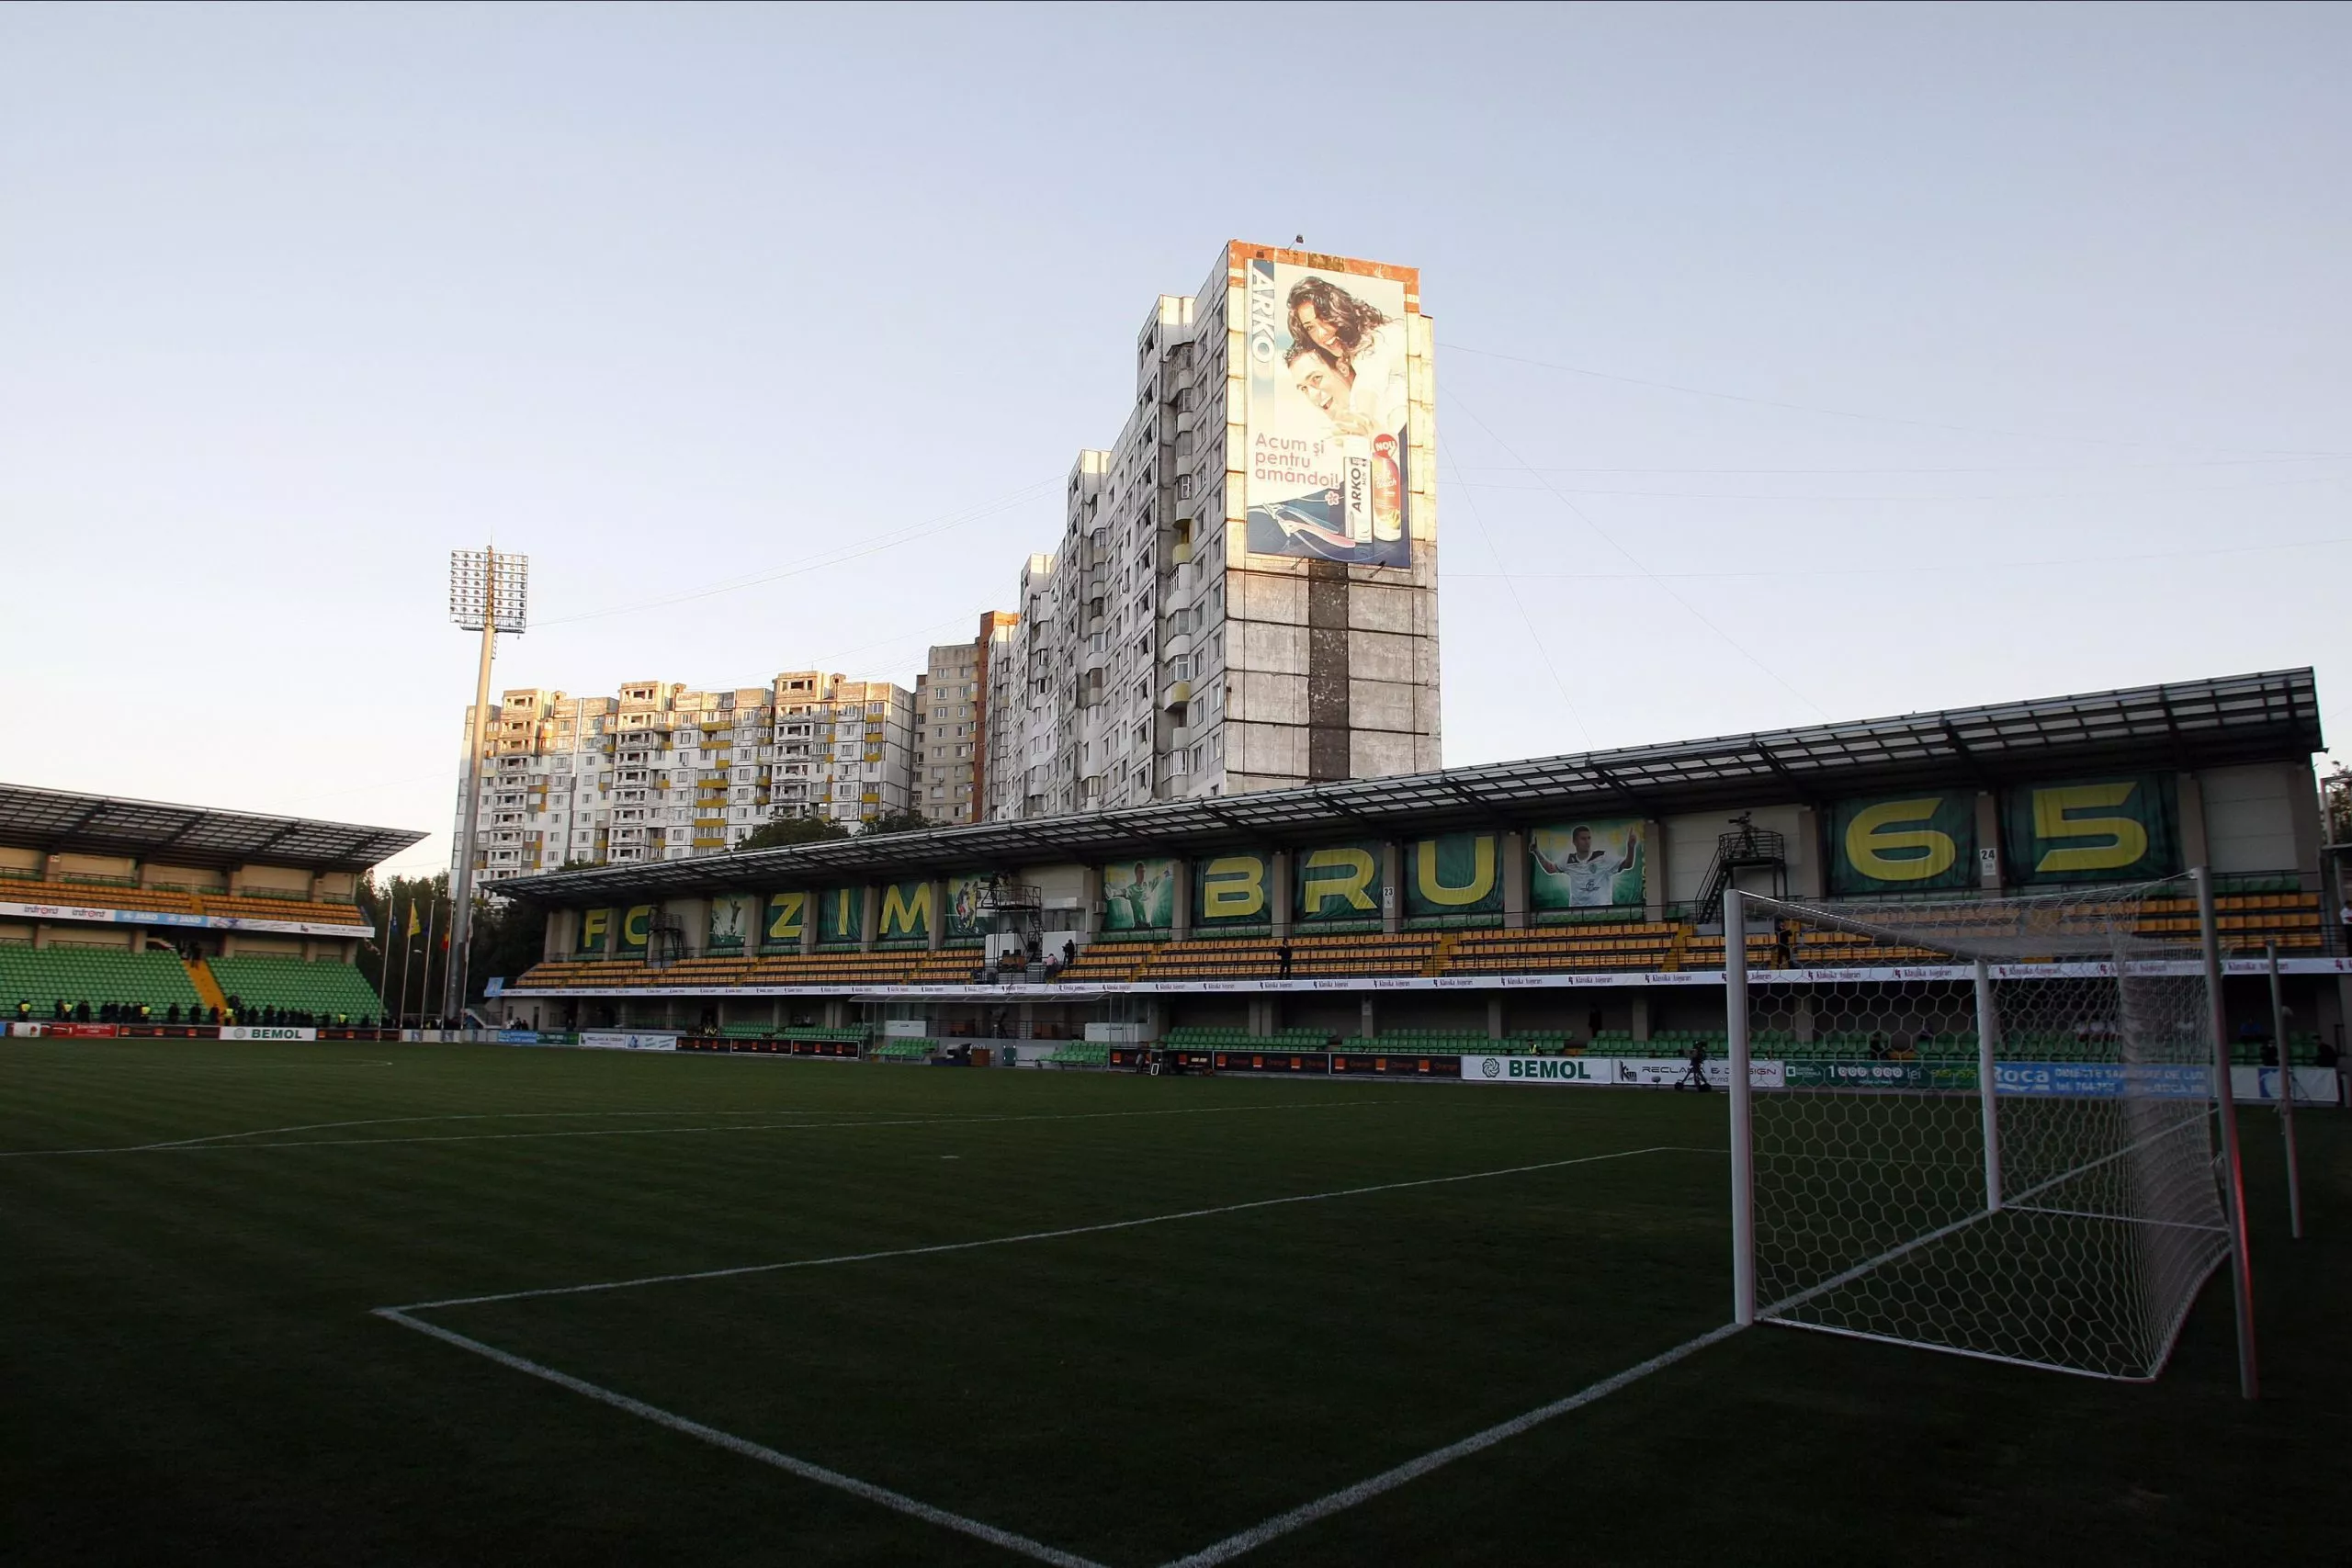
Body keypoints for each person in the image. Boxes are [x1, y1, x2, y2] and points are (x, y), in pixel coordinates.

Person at [1285, 275, 1408, 440]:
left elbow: (1369, 383)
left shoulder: (1374, 340)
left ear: (1338, 310)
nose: (1321, 334)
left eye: (1323, 319)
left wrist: (1362, 418)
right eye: (1310, 328)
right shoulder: (1356, 350)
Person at [1533, 824, 1643, 908]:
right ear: (1575, 841)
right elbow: (1550, 869)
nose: (1587, 842)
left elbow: (1627, 864)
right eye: (1583, 839)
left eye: (1589, 838)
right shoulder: (1568, 859)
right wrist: (1537, 851)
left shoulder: (1603, 857)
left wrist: (1631, 847)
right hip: (1576, 911)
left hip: (1602, 910)